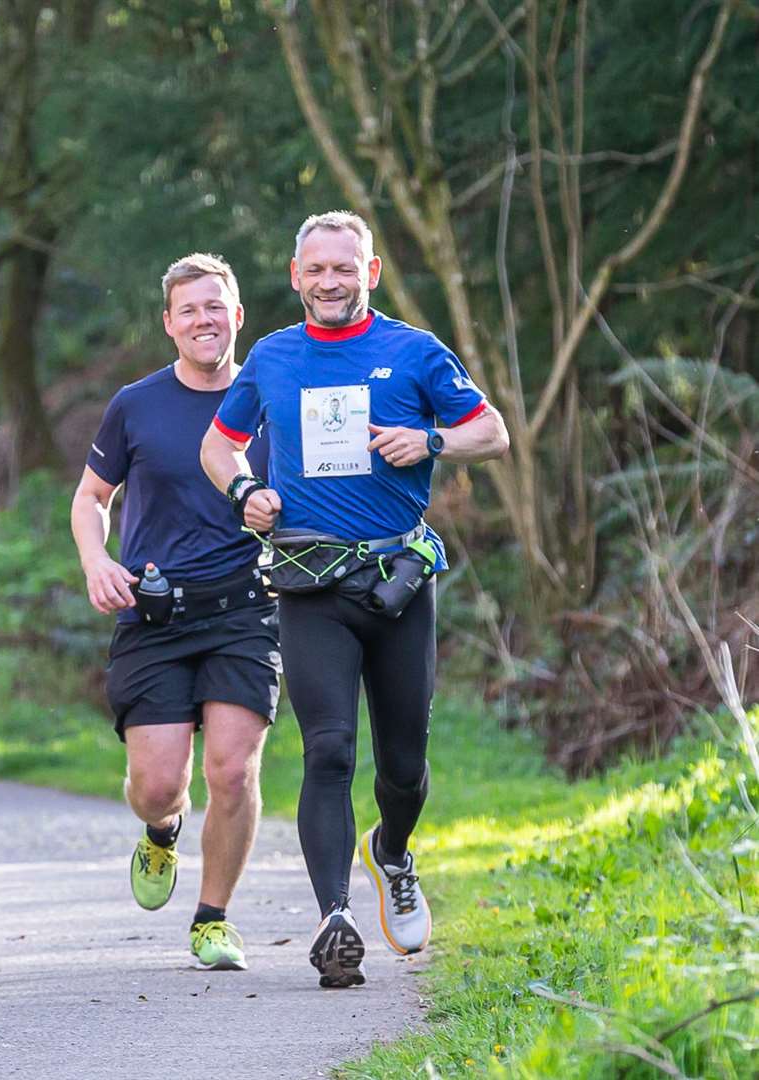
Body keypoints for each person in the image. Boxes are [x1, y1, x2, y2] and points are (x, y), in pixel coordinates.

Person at [200, 210, 509, 988]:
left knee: (403, 766)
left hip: (396, 583)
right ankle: (334, 917)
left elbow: (493, 431)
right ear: (296, 275)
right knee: (329, 748)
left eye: (345, 268)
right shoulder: (271, 356)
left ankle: (393, 853)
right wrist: (246, 492)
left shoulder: (413, 351)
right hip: (310, 584)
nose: (330, 281)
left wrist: (431, 441)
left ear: (369, 273)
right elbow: (219, 443)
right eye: (316, 269)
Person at [69, 253, 280, 972]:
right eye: (188, 310)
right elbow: (91, 498)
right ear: (168, 323)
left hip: (247, 609)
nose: (203, 320)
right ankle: (162, 831)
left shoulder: (270, 399)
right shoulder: (136, 403)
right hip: (154, 613)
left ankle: (214, 919)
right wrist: (99, 562)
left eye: (215, 306)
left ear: (238, 315)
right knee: (158, 786)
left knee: (233, 769)